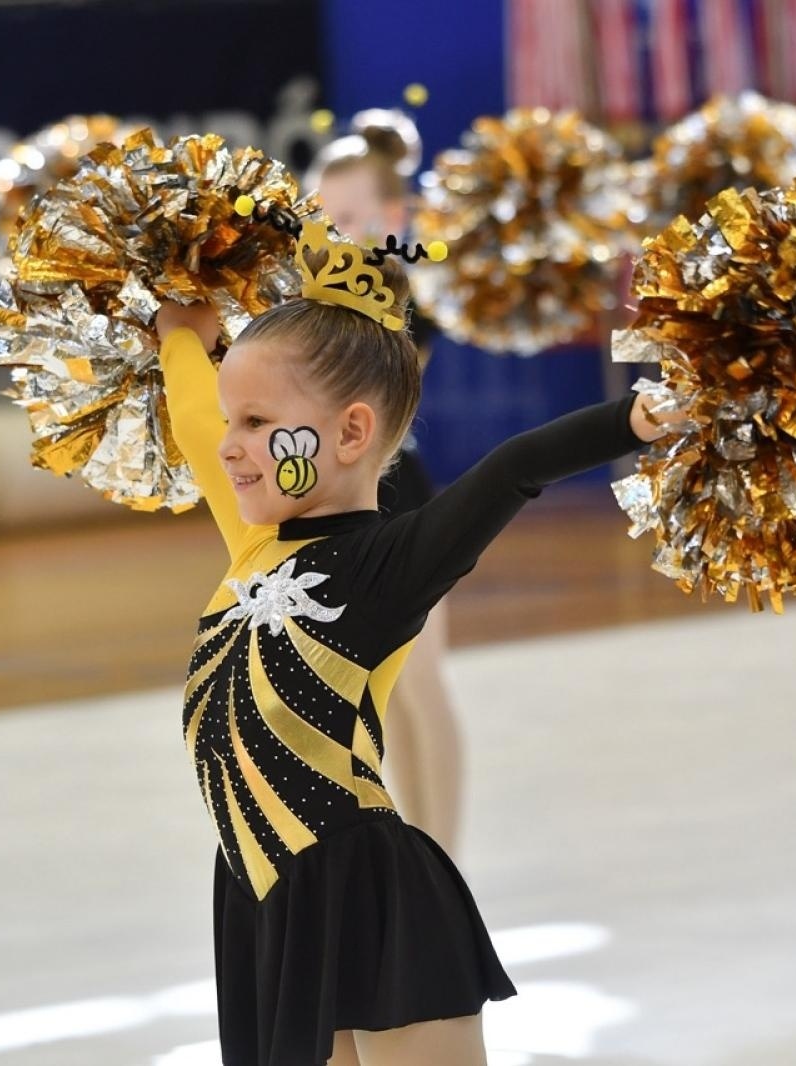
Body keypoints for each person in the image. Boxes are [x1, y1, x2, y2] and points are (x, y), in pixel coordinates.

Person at [155, 226, 670, 1066]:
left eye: (256, 421)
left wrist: (635, 419)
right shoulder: (256, 546)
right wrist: (181, 327)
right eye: (233, 417)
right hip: (266, 902)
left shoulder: (386, 565)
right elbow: (191, 413)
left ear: (352, 433)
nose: (229, 444)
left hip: (369, 894)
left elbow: (512, 470)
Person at [308, 120, 466, 855]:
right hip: (343, 504)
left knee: (420, 685)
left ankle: (445, 859)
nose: (329, 233)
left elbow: (383, 397)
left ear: (392, 219)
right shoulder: (310, 302)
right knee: (382, 696)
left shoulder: (403, 286)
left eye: (344, 218)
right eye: (318, 216)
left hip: (399, 498)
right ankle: (418, 856)